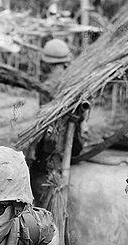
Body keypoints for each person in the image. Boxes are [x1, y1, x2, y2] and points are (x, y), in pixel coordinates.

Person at [31, 38, 86, 208]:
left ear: (47, 63)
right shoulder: (75, 81)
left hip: (51, 150)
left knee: (40, 187)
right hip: (69, 147)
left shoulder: (48, 84)